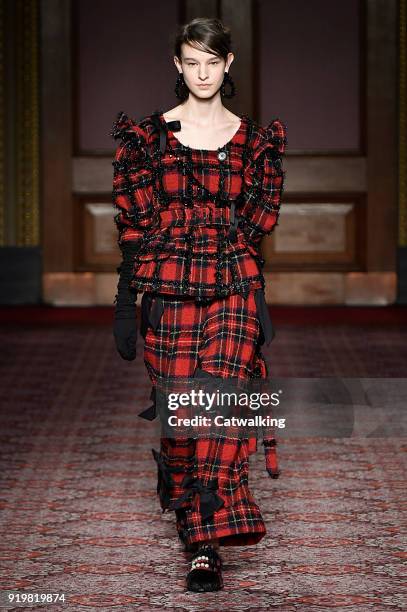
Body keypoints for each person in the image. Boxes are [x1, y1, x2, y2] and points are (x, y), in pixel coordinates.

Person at [110, 17, 287, 593]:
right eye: (193, 61)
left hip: (233, 285)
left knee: (222, 400)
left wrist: (254, 293)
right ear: (178, 66)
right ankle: (194, 522)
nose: (204, 72)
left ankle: (206, 544)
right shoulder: (149, 138)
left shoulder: (255, 141)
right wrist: (123, 299)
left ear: (228, 64)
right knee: (182, 420)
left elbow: (258, 224)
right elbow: (134, 224)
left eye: (214, 61)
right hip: (166, 290)